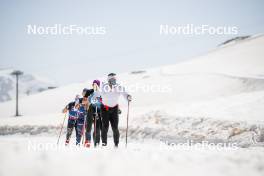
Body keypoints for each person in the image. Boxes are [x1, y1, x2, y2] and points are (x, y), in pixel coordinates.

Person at [100, 73, 132, 147]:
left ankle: (116, 144)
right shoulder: (104, 87)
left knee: (115, 127)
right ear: (108, 80)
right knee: (105, 126)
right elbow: (102, 95)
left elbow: (124, 93)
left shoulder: (118, 87)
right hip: (105, 109)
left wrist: (128, 96)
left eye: (114, 79)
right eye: (111, 80)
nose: (113, 81)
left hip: (114, 109)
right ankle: (104, 144)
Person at [84, 80, 102, 147]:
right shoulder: (90, 91)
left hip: (99, 111)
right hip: (91, 110)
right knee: (88, 126)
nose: (94, 86)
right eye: (93, 85)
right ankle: (87, 140)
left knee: (97, 128)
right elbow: (85, 101)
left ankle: (96, 143)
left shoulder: (102, 92)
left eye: (96, 85)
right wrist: (86, 106)